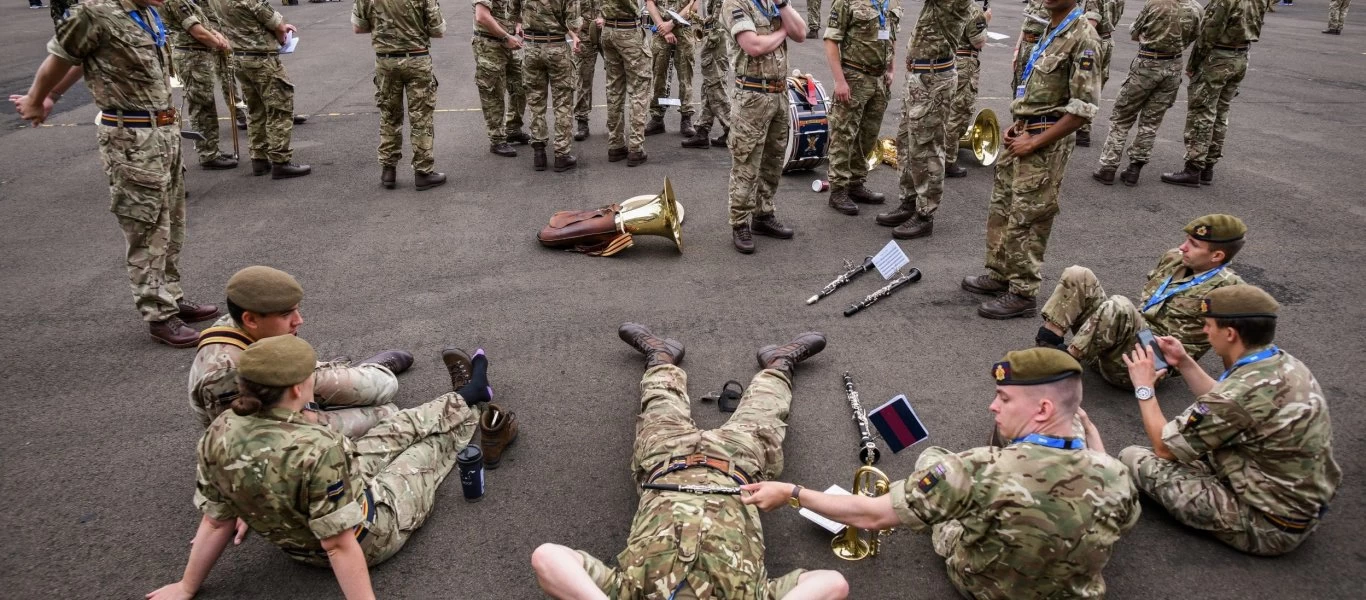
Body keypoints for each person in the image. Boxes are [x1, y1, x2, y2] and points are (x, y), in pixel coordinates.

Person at [743, 348, 1140, 599]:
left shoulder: (974, 468)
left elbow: (872, 516)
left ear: (1042, 410)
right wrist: (1092, 441)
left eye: (1004, 399)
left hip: (986, 587)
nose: (993, 406)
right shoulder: (1118, 476)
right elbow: (1120, 522)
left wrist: (792, 492)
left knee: (931, 457)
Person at [148, 335, 512, 599]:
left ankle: (466, 395)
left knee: (392, 429)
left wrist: (186, 586)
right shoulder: (318, 448)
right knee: (428, 450)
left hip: (311, 523)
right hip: (370, 532)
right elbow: (339, 544)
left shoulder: (219, 431)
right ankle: (475, 409)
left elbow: (216, 520)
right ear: (297, 390)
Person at [531, 323, 849, 599]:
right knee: (766, 411)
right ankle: (780, 363)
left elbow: (547, 558)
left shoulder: (627, 593)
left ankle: (660, 356)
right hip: (738, 465)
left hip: (665, 460)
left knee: (660, 401)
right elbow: (832, 584)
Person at [11, 0, 222, 348]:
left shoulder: (147, 12)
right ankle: (159, 314)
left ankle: (170, 295)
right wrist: (40, 98)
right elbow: (64, 56)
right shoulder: (94, 13)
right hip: (131, 137)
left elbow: (84, 59)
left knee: (171, 221)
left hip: (164, 132)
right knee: (146, 226)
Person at [1119, 285, 1341, 556]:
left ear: (1230, 334)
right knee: (1199, 446)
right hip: (1296, 501)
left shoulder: (1233, 398)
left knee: (1133, 457)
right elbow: (1230, 402)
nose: (1204, 331)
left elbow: (1165, 447)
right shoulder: (1284, 364)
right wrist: (1184, 362)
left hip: (1269, 526)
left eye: (1209, 325)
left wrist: (1144, 389)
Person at [961, 0, 1100, 319]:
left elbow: (1083, 109)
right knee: (1002, 207)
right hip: (1024, 133)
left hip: (1045, 143)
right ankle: (999, 273)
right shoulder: (1050, 29)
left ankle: (1023, 292)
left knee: (1030, 214)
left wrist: (1035, 140)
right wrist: (1020, 124)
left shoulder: (1084, 38)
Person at [189, 266, 418, 437]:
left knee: (383, 385)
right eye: (286, 315)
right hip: (275, 427)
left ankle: (365, 372)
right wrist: (308, 411)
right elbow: (247, 436)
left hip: (279, 385)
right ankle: (365, 373)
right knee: (386, 411)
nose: (299, 320)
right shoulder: (227, 375)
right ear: (250, 319)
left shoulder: (237, 322)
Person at [1035, 214, 1245, 388]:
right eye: (1186, 240)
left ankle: (1063, 365)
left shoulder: (1230, 291)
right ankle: (1049, 343)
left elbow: (1234, 342)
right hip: (1123, 336)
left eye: (1194, 244)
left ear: (1217, 256)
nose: (1183, 247)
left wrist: (1229, 391)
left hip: (1147, 365)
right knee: (1079, 275)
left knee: (1120, 306)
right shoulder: (1174, 258)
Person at [881, 0, 976, 240]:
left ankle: (925, 214)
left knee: (927, 147)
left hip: (934, 79)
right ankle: (909, 201)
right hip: (920, 77)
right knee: (906, 142)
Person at [722, 0, 807, 254]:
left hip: (779, 94)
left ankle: (763, 214)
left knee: (773, 160)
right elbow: (753, 46)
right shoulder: (735, 3)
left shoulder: (775, 3)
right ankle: (740, 223)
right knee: (746, 163)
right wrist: (782, 32)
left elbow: (801, 33)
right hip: (751, 96)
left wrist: (782, 4)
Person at [1092, 0, 1201, 186]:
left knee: (1122, 117)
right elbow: (1194, 36)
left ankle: (1108, 167)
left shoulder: (1155, 3)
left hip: (1147, 63)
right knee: (1151, 122)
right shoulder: (1196, 8)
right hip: (1173, 66)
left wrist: (1149, 37)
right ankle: (1134, 169)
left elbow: (1135, 31)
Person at [1159, 0, 1267, 187]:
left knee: (1202, 112)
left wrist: (1193, 64)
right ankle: (1208, 165)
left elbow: (1209, 33)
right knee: (1221, 112)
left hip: (1218, 58)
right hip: (1240, 55)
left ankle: (1194, 167)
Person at [353, 0, 449, 190]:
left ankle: (388, 170)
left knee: (389, 116)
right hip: (417, 58)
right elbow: (438, 30)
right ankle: (423, 172)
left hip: (386, 60)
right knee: (421, 117)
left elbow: (359, 27)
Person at [820, 0, 899, 217]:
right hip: (854, 76)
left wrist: (891, 68)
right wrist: (839, 80)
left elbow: (891, 36)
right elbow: (831, 40)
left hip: (879, 80)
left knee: (868, 136)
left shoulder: (890, 2)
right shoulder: (846, 2)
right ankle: (838, 190)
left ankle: (855, 183)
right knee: (844, 134)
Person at [219, 0, 311, 178]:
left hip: (239, 57)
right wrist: (282, 37)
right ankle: (280, 161)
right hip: (261, 58)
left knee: (256, 110)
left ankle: (259, 159)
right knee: (280, 108)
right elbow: (278, 26)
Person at [166, 0, 238, 171]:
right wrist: (219, 43)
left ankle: (212, 149)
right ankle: (208, 153)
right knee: (201, 106)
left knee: (207, 103)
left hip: (197, 56)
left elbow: (203, 25)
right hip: (191, 58)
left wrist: (217, 35)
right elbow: (199, 33)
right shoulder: (175, 1)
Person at [521, 0, 583, 172]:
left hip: (531, 46)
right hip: (556, 47)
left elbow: (511, 14)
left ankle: (539, 152)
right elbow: (574, 24)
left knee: (535, 101)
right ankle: (561, 154)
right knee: (563, 102)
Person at [473, 0, 531, 157]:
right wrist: (505, 36)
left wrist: (517, 25)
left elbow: (513, 9)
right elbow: (482, 16)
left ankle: (513, 129)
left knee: (521, 85)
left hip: (509, 43)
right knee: (493, 92)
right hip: (489, 45)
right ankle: (497, 139)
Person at [600, 0, 653, 166]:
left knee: (614, 90)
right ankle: (635, 148)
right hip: (628, 31)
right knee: (639, 89)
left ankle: (615, 144)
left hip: (608, 29)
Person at [941, 1, 989, 180]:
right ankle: (947, 160)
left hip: (947, 60)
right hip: (964, 63)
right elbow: (978, 42)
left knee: (946, 108)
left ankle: (940, 153)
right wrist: (985, 20)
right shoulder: (972, 8)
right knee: (959, 112)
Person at [644, 0, 699, 138]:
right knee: (658, 76)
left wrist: (672, 23)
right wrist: (663, 28)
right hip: (660, 32)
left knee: (685, 77)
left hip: (684, 31)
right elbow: (650, 3)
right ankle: (657, 118)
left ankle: (686, 118)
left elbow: (694, 5)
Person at [681, 0, 731, 149]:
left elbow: (721, 16)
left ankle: (732, 130)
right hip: (715, 38)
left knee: (716, 87)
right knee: (709, 87)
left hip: (716, 40)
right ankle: (702, 131)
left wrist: (705, 23)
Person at [1074, 0, 1122, 147]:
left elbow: (1091, 23)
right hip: (1107, 40)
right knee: (1097, 84)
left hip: (1094, 41)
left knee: (1085, 84)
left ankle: (1082, 129)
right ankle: (1084, 126)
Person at [572, 0, 602, 140]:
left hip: (609, 34)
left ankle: (615, 121)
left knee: (616, 80)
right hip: (584, 37)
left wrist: (605, 19)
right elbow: (567, 13)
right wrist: (574, 34)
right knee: (583, 80)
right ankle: (582, 121)